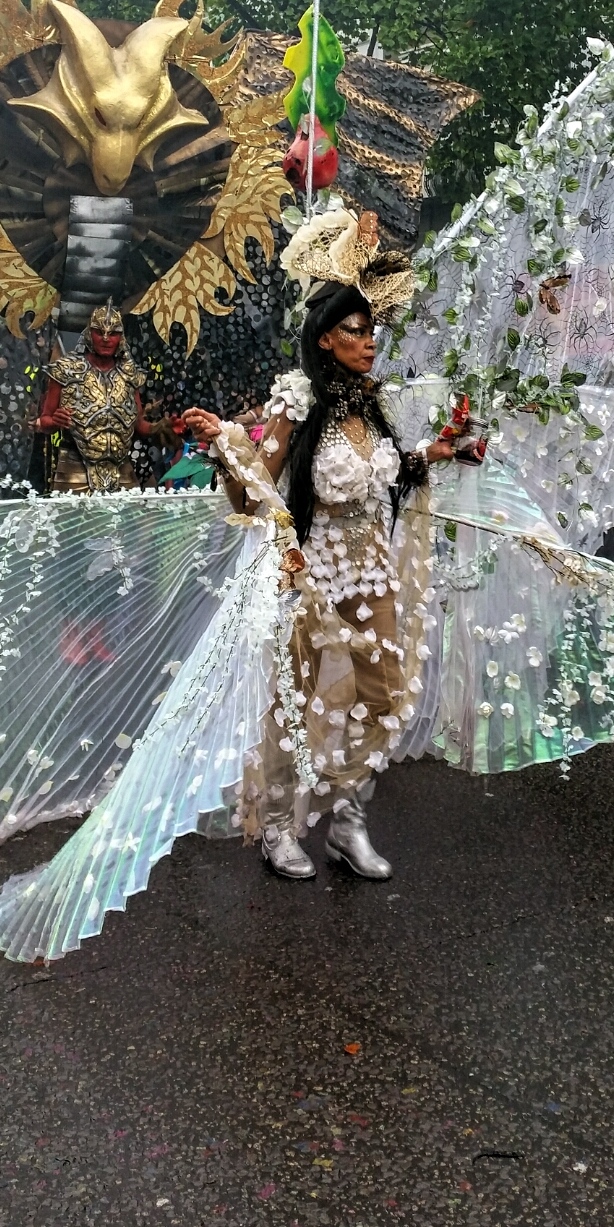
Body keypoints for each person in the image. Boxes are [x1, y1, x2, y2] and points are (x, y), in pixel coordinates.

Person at [184, 211, 457, 881]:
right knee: (294, 703)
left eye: (372, 332)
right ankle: (278, 827)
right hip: (311, 580)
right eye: (356, 332)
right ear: (326, 337)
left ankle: (347, 823)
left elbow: (380, 475)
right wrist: (226, 445)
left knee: (386, 699)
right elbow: (254, 495)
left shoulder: (372, 404)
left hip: (374, 578)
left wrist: (436, 453)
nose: (370, 344)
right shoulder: (298, 401)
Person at [34, 300, 171, 492]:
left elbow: (138, 423)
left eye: (113, 333)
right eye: (100, 332)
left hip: (122, 468)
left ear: (121, 338)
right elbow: (45, 420)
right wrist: (55, 422)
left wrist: (161, 427)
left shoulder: (129, 374)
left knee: (125, 521)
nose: (106, 338)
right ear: (90, 334)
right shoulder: (66, 370)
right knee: (71, 522)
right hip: (74, 466)